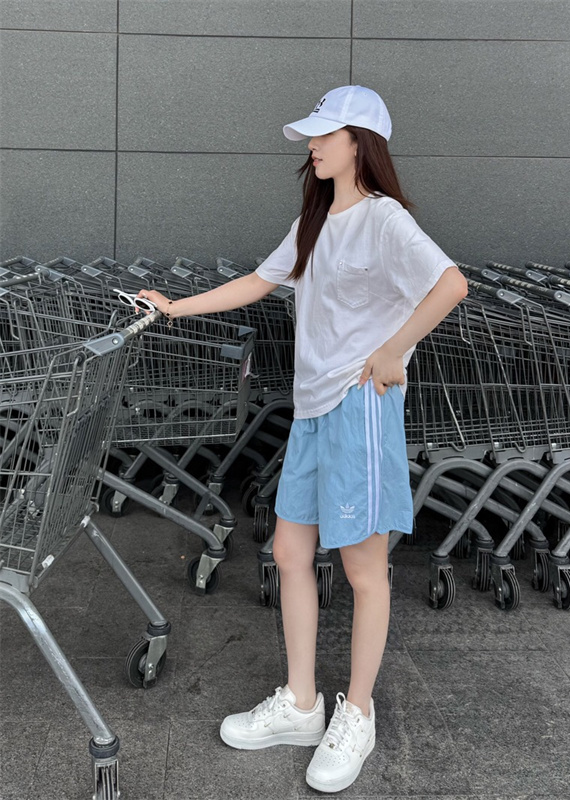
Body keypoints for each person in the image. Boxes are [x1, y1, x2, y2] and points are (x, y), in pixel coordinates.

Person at [137, 85, 468, 794]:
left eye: (325, 134)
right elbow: (258, 282)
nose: (313, 146)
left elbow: (450, 285)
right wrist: (174, 308)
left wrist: (394, 350)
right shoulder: (315, 221)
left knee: (363, 570)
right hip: (315, 409)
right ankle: (300, 703)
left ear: (360, 144)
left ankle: (359, 714)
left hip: (361, 407)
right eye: (312, 135)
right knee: (290, 552)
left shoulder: (385, 220)